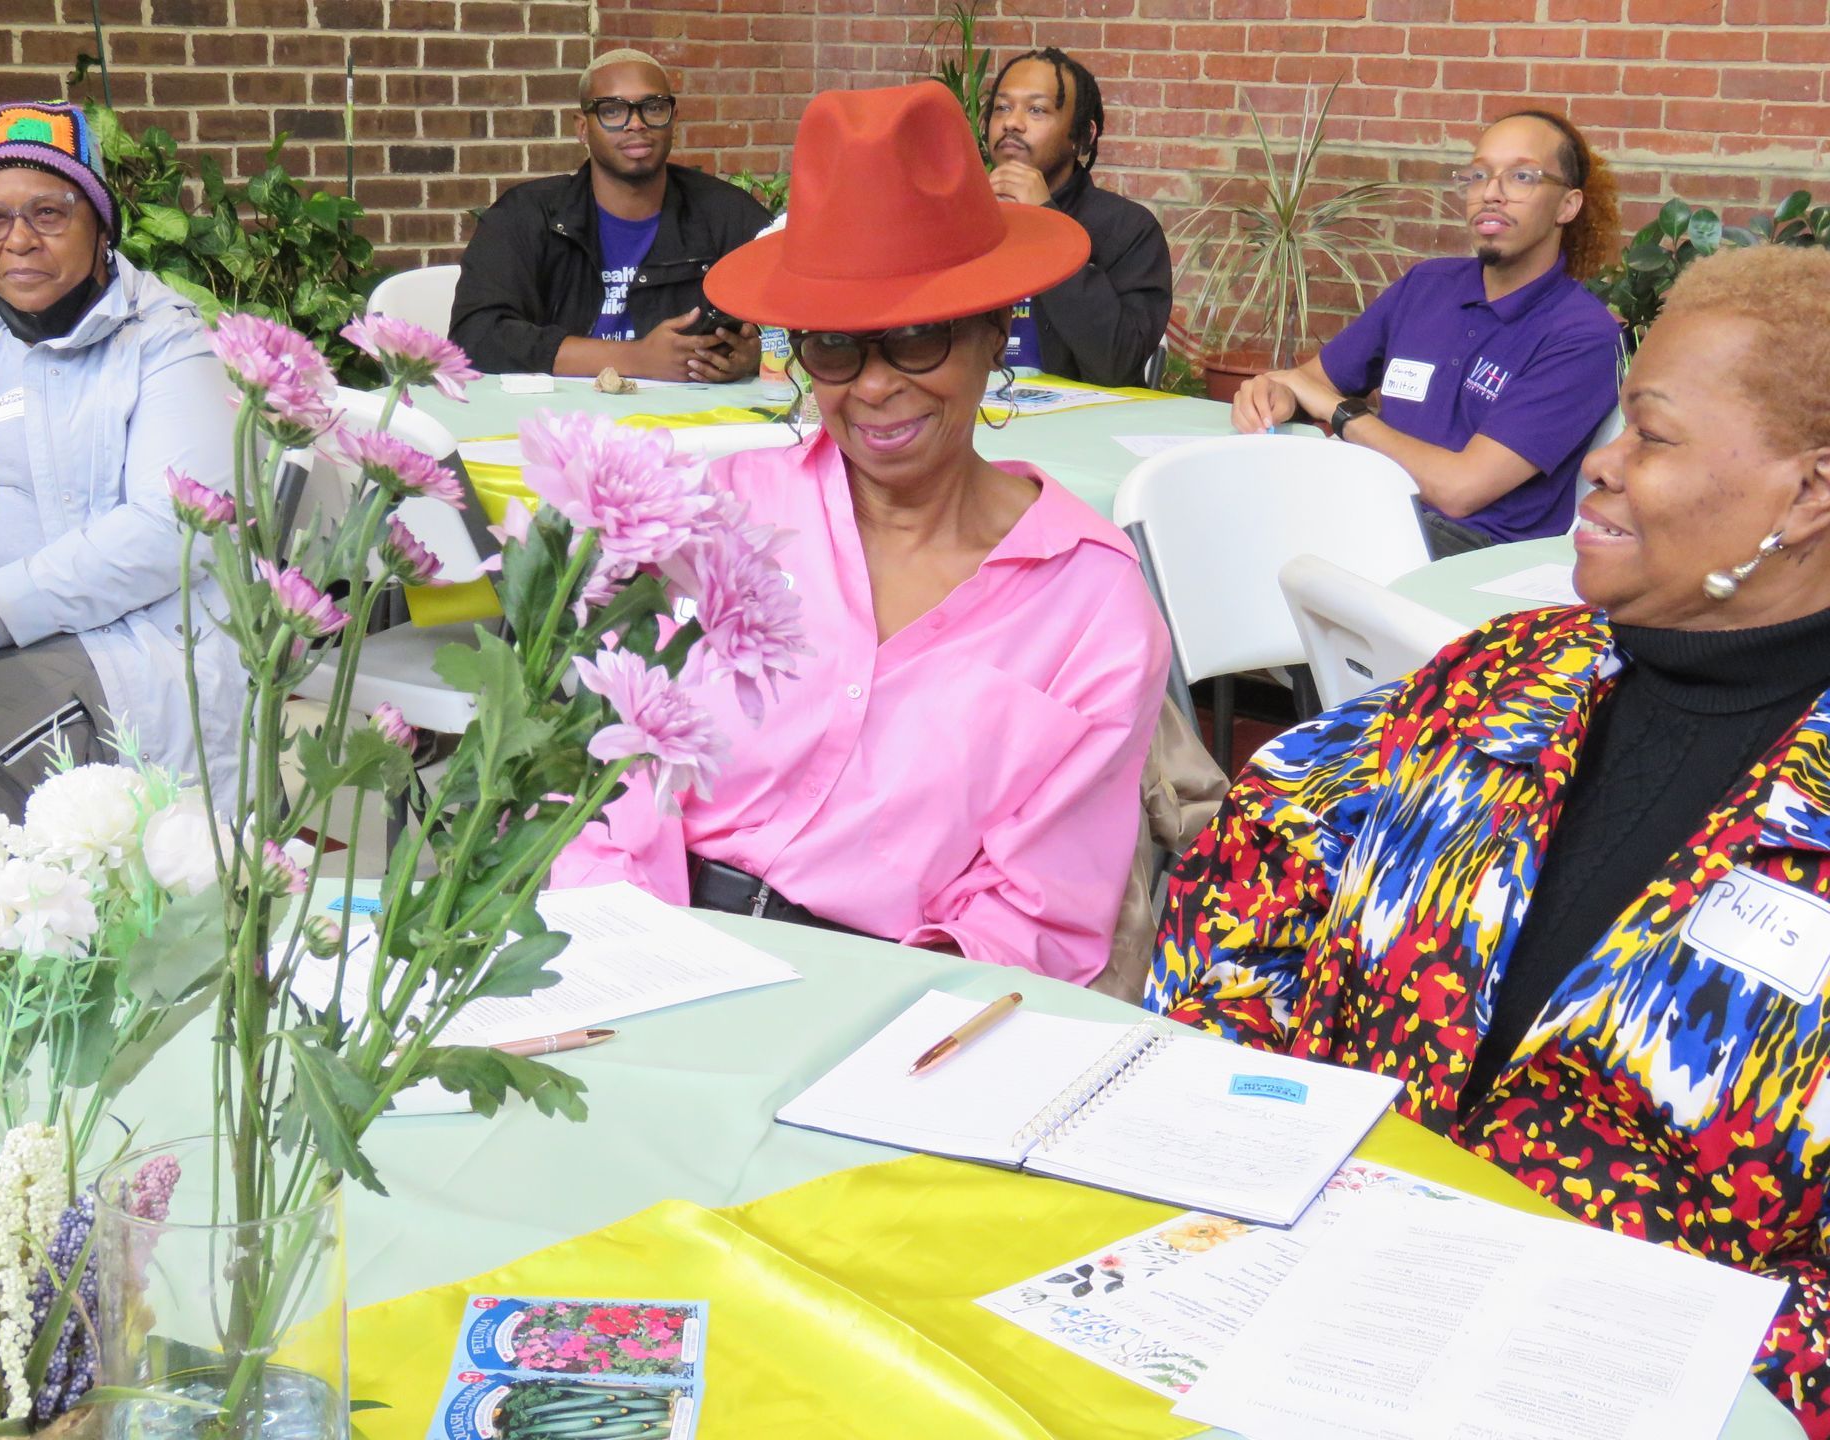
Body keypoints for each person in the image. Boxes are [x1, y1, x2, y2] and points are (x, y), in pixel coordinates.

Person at [1150, 244, 1830, 1434]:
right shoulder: (1506, 677)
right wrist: (1247, 1123)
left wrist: (1610, 1353)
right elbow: (1262, 849)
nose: (1601, 468)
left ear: (1812, 495)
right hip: (1283, 1322)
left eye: (1652, 439)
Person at [551, 82, 1171, 986]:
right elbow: (603, 772)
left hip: (886, 996)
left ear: (995, 330)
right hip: (647, 946)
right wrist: (614, 949)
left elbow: (1029, 918)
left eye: (916, 337)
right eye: (834, 346)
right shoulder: (718, 519)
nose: (872, 387)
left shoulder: (1090, 604)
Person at [0, 101, 242, 815]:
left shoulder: (167, 346)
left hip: (110, 648)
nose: (18, 240)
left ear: (100, 230)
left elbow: (172, 529)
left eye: (50, 214)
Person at [1231, 110, 1622, 557]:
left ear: (1567, 206)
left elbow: (1461, 489)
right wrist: (1276, 397)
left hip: (1472, 552)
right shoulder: (1428, 286)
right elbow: (1311, 382)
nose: (1491, 194)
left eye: (1521, 176)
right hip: (1371, 507)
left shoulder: (1581, 335)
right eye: (1478, 175)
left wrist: (1340, 414)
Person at [449, 48, 768, 383]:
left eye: (654, 107)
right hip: (558, 417)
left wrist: (755, 356)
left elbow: (800, 321)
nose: (636, 124)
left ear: (674, 120)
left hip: (690, 421)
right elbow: (476, 337)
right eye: (612, 110)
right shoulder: (525, 216)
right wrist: (636, 358)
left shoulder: (725, 213)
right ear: (582, 128)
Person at [982, 47, 1171, 389]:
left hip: (1076, 429)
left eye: (1036, 110)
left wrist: (1047, 226)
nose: (1012, 122)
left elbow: (1117, 366)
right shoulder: (960, 223)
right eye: (1002, 108)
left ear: (1084, 135)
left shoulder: (1128, 230)